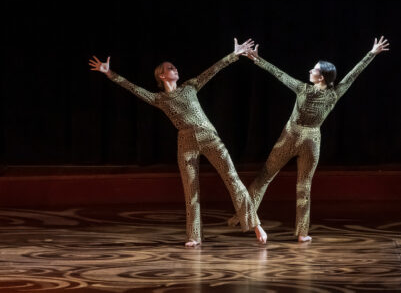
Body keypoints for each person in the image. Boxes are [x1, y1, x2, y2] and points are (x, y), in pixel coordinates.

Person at [89, 38, 268, 247]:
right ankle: (194, 236)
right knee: (190, 190)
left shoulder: (190, 86)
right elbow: (134, 89)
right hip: (186, 142)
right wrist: (109, 73)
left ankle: (256, 225)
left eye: (174, 66)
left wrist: (233, 56)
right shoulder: (160, 99)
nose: (175, 69)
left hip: (209, 137)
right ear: (162, 75)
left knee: (232, 180)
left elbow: (212, 70)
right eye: (170, 68)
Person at [229, 36, 389, 242]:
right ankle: (302, 233)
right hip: (311, 141)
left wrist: (258, 61)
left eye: (313, 70)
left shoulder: (303, 89)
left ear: (321, 77)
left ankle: (242, 217)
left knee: (264, 178)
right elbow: (352, 75)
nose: (310, 72)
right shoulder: (334, 94)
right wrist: (371, 54)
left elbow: (279, 74)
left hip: (291, 136)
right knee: (303, 186)